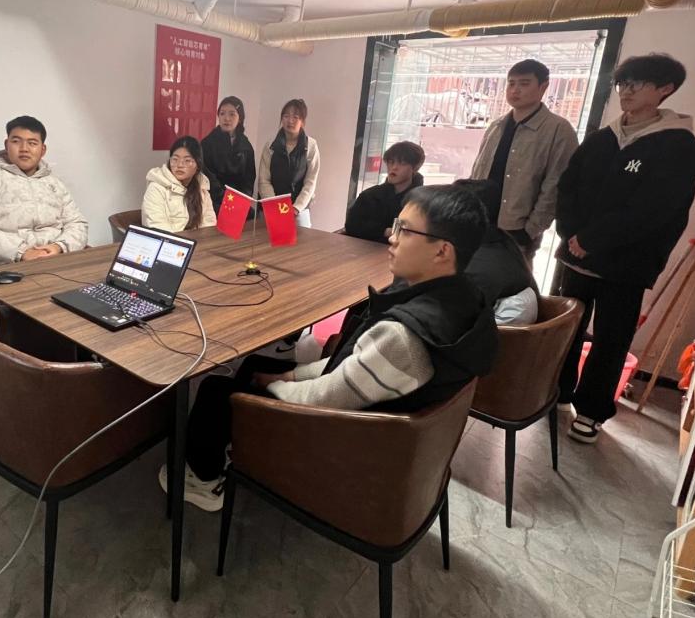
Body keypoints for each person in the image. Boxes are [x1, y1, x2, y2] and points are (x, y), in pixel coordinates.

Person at [159, 185, 498, 511]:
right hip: (388, 420)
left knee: (216, 389)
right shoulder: (465, 299)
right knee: (252, 367)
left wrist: (273, 387)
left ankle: (201, 480)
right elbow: (356, 367)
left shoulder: (403, 337)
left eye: (405, 231)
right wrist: (290, 375)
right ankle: (240, 435)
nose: (392, 237)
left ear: (442, 251)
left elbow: (324, 398)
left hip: (344, 437)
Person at [555, 53, 695, 443]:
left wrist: (591, 239)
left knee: (611, 338)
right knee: (565, 328)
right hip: (576, 256)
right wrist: (571, 234)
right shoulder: (602, 138)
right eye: (623, 83)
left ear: (665, 89)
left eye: (637, 83)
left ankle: (591, 411)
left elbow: (653, 210)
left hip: (625, 265)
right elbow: (567, 187)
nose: (626, 91)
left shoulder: (679, 146)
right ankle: (557, 391)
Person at [470, 59, 579, 261]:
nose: (515, 90)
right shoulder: (497, 126)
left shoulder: (558, 130)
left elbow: (556, 184)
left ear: (543, 87)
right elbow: (477, 170)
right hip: (481, 221)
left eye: (524, 83)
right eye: (511, 83)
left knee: (510, 276)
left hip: (517, 228)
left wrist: (531, 229)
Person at [0, 116, 88, 264]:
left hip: (58, 259)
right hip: (11, 265)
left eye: (32, 143)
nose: (24, 149)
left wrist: (59, 247)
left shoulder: (55, 184)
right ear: (7, 145)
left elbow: (77, 223)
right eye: (16, 141)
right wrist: (21, 251)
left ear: (42, 150)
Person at [453, 179, 538, 324]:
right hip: (509, 328)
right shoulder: (504, 241)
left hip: (493, 333)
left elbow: (451, 316)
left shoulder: (474, 264)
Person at [345, 141, 425, 242]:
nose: (394, 167)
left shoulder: (422, 202)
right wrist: (385, 231)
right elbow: (351, 226)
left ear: (415, 167)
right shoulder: (369, 196)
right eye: (391, 162)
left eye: (402, 163)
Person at [258, 99, 320, 227]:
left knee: (301, 239)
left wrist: (296, 208)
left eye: (295, 117)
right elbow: (264, 180)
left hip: (299, 210)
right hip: (272, 206)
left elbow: (310, 182)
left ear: (302, 121)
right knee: (268, 238)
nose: (290, 121)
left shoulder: (311, 145)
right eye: (286, 116)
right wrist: (275, 205)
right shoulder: (270, 145)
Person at [142, 136, 217, 232]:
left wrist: (201, 240)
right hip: (168, 240)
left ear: (197, 165)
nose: (180, 165)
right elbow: (157, 227)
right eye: (175, 159)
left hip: (197, 241)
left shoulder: (202, 189)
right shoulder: (156, 187)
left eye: (187, 160)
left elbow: (209, 224)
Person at [200, 96, 256, 214]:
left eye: (232, 114)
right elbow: (207, 177)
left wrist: (242, 199)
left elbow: (249, 179)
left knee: (252, 215)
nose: (226, 118)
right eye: (222, 113)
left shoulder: (246, 146)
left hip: (238, 200)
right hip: (213, 200)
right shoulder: (207, 144)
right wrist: (225, 199)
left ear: (240, 118)